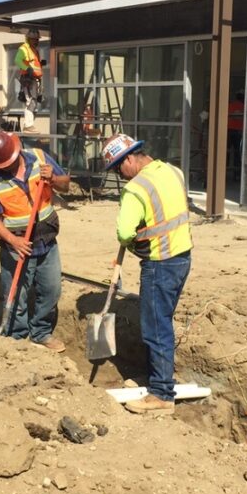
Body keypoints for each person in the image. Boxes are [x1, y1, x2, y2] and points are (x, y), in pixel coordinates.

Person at [102, 133, 192, 416]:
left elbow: (124, 232)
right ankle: (157, 378)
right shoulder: (173, 171)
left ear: (128, 159)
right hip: (182, 258)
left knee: (156, 328)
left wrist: (132, 241)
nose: (120, 174)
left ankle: (162, 393)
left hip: (160, 263)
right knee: (162, 322)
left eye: (118, 168)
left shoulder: (135, 189)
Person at [0, 131, 70, 352]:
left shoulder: (40, 158)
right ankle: (17, 339)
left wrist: (54, 179)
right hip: (16, 246)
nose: (5, 169)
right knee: (16, 295)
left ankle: (40, 333)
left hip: (46, 240)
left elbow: (66, 185)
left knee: (51, 289)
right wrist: (12, 240)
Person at [15, 28, 45, 131]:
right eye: (34, 39)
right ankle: (28, 125)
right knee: (31, 101)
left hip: (34, 79)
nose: (36, 41)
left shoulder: (34, 50)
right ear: (29, 39)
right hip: (28, 79)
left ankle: (29, 124)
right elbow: (18, 61)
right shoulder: (23, 49)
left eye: (37, 39)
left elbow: (34, 64)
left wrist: (41, 64)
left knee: (34, 101)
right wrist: (27, 68)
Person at [227, 91, 245, 179]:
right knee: (238, 153)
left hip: (228, 130)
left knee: (227, 152)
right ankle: (237, 175)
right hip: (238, 131)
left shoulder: (231, 105)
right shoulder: (243, 106)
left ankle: (224, 173)